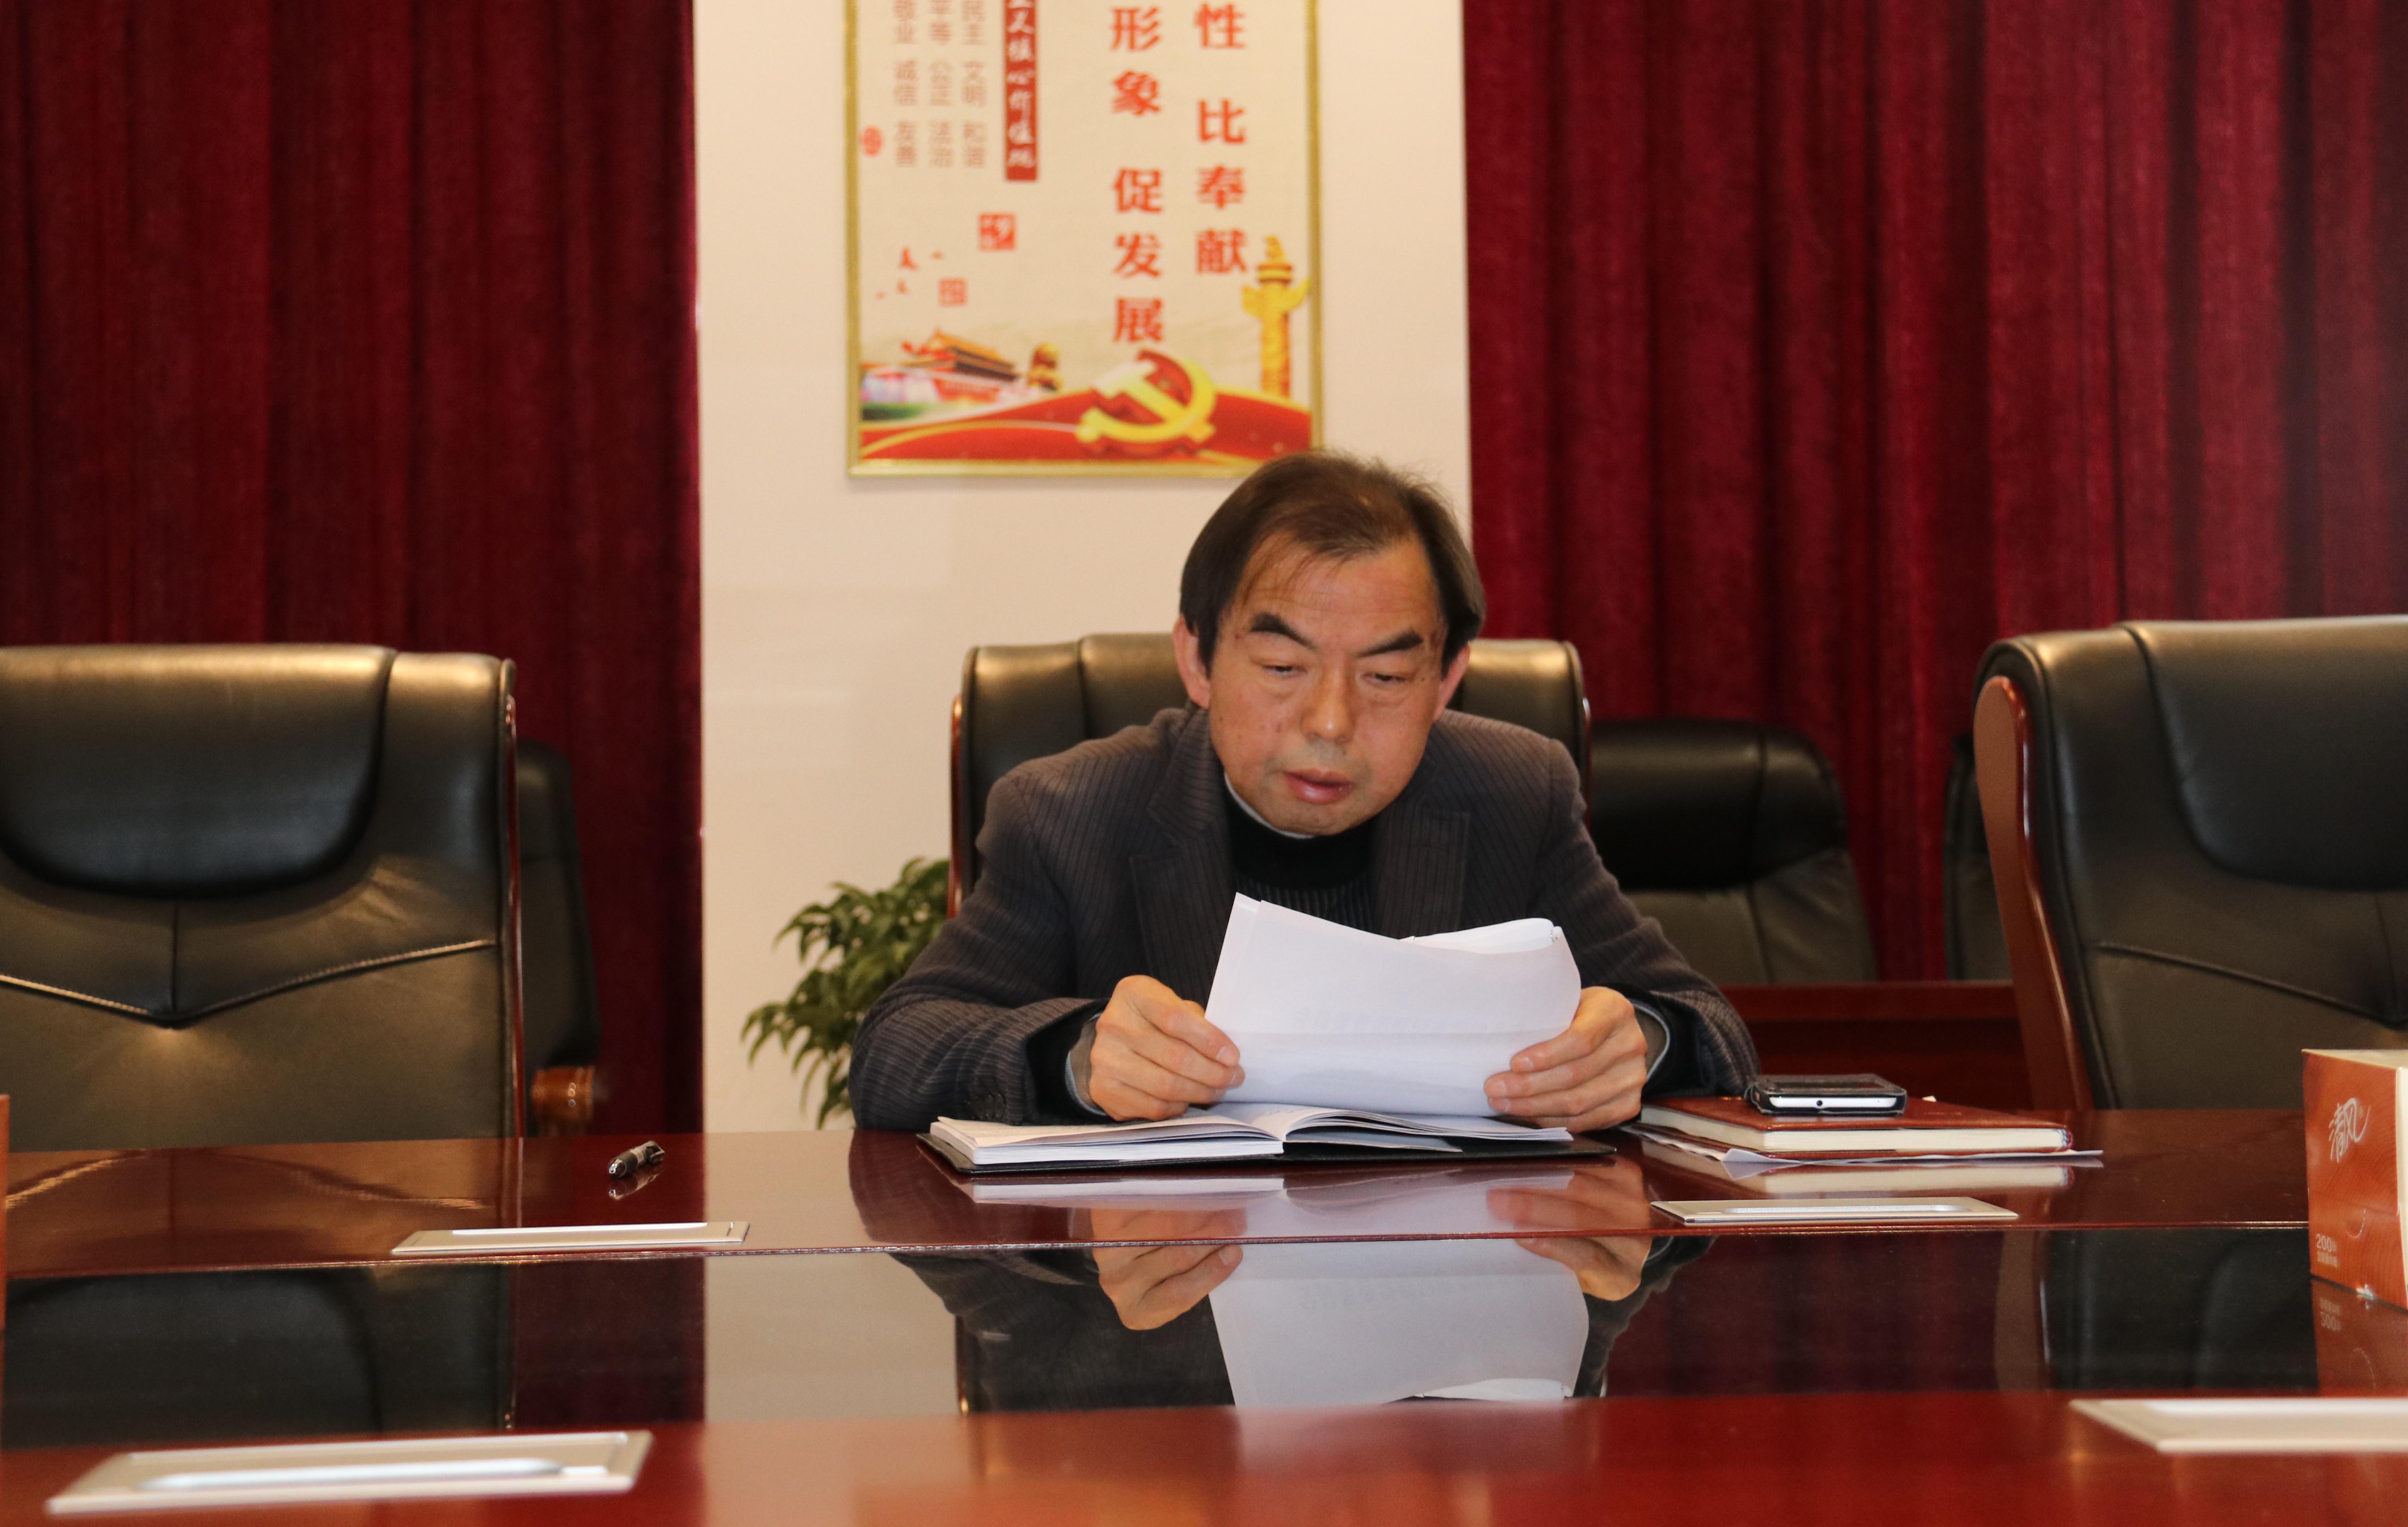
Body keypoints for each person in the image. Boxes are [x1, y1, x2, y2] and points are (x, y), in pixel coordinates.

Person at [852, 451, 1756, 1132]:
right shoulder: (1070, 812)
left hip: (1447, 1284)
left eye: (1386, 678)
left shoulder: (1513, 794)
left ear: (1447, 681)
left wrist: (1640, 1041)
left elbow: (1715, 1030)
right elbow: (896, 1049)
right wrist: (1072, 1055)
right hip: (1164, 1299)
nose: (1330, 721)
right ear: (1196, 659)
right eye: (1283, 667)